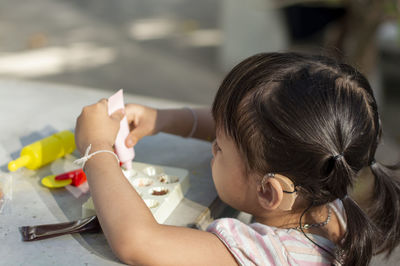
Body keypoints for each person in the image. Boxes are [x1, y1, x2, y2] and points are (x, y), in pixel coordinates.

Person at [74, 52, 400, 265]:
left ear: (269, 192)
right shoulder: (326, 180)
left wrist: (97, 148)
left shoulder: (270, 255)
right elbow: (242, 132)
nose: (213, 145)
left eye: (219, 148)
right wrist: (163, 119)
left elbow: (138, 241)